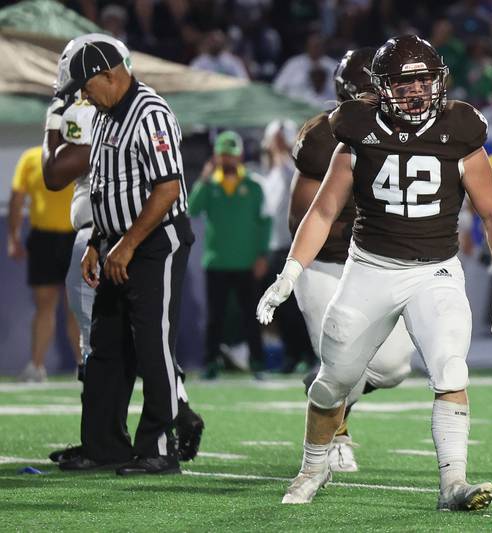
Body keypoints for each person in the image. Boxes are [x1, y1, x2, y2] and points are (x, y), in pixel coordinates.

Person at [258, 35, 492, 510]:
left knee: (450, 367)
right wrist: (291, 272)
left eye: (424, 79)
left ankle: (452, 484)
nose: (417, 91)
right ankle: (312, 468)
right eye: (405, 82)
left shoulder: (459, 128)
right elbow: (320, 212)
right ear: (381, 88)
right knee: (334, 381)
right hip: (369, 270)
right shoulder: (354, 128)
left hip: (434, 271)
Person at [42, 33, 204, 468]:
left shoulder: (149, 112)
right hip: (117, 243)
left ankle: (160, 448)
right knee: (105, 348)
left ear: (108, 74)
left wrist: (127, 245)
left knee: (152, 344)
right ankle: (103, 446)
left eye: (85, 85)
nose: (82, 96)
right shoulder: (108, 112)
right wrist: (99, 243)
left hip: (155, 243)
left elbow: (167, 187)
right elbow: (106, 187)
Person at [290, 47, 416, 472]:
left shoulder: (413, 133)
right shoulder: (324, 138)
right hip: (327, 264)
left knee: (394, 367)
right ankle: (334, 435)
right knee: (345, 354)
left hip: (377, 266)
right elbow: (302, 217)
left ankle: (326, 388)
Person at [188, 131, 270, 379]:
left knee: (251, 316)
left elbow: (264, 223)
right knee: (215, 317)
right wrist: (203, 178)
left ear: (240, 156)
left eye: (231, 155)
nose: (228, 160)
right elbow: (192, 209)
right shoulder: (210, 185)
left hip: (246, 262)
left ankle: (257, 363)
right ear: (216, 157)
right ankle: (210, 363)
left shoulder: (254, 186)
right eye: (223, 155)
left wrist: (262, 256)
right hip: (217, 261)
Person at [8, 144, 81, 382]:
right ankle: (37, 366)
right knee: (44, 304)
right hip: (43, 239)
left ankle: (84, 366)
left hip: (76, 237)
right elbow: (17, 197)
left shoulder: (80, 154)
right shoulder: (30, 158)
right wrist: (13, 237)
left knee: (77, 306)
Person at [258, 118, 316, 373]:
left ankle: (309, 354)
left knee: (297, 308)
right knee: (279, 308)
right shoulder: (268, 173)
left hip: (292, 248)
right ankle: (293, 354)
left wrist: (283, 149)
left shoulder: (292, 170)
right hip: (274, 246)